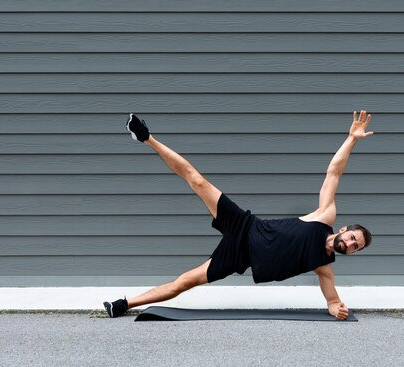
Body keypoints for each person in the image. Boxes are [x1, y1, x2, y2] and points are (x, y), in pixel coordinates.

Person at [104, 111, 373, 320]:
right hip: (246, 226)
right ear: (344, 229)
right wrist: (351, 139)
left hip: (240, 257)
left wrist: (337, 309)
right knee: (197, 181)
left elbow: (332, 302)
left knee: (184, 282)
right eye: (351, 238)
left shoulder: (324, 268)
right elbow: (334, 173)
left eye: (354, 247)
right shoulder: (324, 217)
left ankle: (124, 304)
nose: (349, 244)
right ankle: (146, 137)